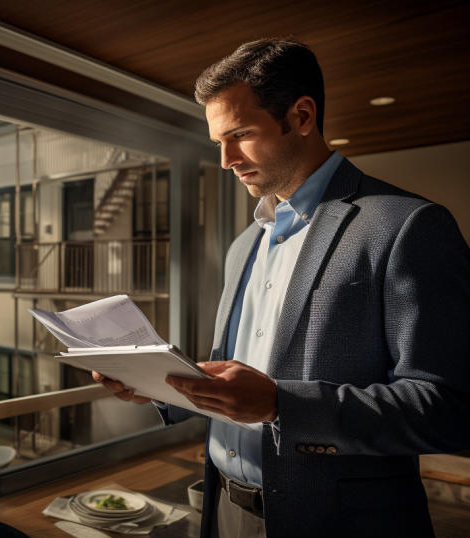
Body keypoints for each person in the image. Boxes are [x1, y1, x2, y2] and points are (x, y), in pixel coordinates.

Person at [95, 38, 470, 537]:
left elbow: (448, 408)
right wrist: (155, 384)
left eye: (241, 134)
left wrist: (281, 405)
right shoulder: (244, 244)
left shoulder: (408, 225)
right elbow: (234, 378)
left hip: (339, 523)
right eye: (217, 143)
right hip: (223, 510)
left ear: (302, 116)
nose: (226, 159)